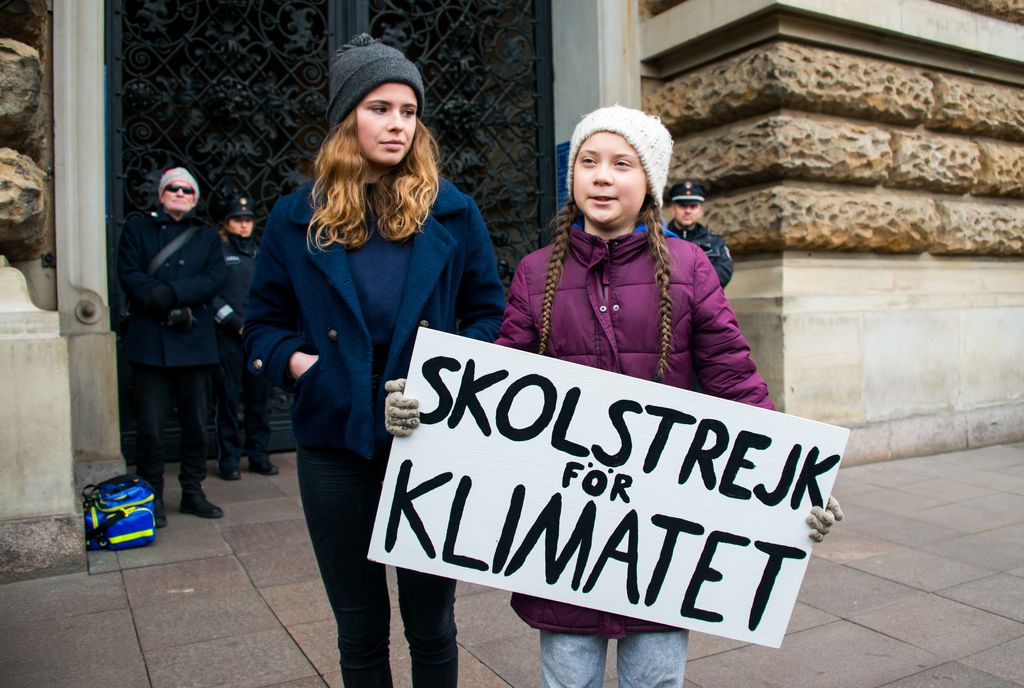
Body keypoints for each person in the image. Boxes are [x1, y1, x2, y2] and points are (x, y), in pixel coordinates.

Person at [386, 106, 844, 687]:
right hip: (564, 545)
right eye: (588, 161)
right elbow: (495, 392)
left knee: (654, 680)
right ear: (572, 176)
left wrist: (795, 482)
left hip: (660, 546)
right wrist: (426, 413)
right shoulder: (535, 273)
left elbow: (736, 382)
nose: (602, 176)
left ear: (649, 183)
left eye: (621, 164)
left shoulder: (691, 267)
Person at [243, 34, 505, 687]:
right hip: (335, 443)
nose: (397, 125)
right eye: (380, 108)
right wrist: (303, 369)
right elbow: (262, 326)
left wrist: (446, 380)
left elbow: (488, 314)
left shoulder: (453, 211)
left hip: (431, 441)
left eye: (408, 111)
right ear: (346, 119)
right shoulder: (294, 218)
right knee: (359, 629)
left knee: (432, 623)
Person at [117, 166, 226, 528]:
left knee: (196, 427)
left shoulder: (207, 237)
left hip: (194, 345)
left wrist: (174, 293)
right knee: (150, 428)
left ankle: (193, 491)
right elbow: (128, 272)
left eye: (187, 190)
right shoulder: (137, 230)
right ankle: (152, 496)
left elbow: (214, 278)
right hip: (150, 345)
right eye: (173, 188)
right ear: (161, 194)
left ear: (195, 198)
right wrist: (158, 297)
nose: (180, 194)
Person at [211, 193, 277, 481]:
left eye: (248, 219)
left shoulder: (260, 251)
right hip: (228, 337)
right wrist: (235, 323)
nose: (243, 224)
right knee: (228, 401)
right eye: (238, 219)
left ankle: (259, 455)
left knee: (259, 400)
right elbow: (211, 293)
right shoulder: (218, 252)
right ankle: (229, 460)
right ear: (226, 223)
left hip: (257, 338)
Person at [666, 180, 733, 288]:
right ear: (673, 209)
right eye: (682, 206)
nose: (688, 211)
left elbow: (724, 271)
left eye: (693, 206)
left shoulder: (715, 242)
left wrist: (693, 282)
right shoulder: (659, 238)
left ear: (701, 210)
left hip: (704, 296)